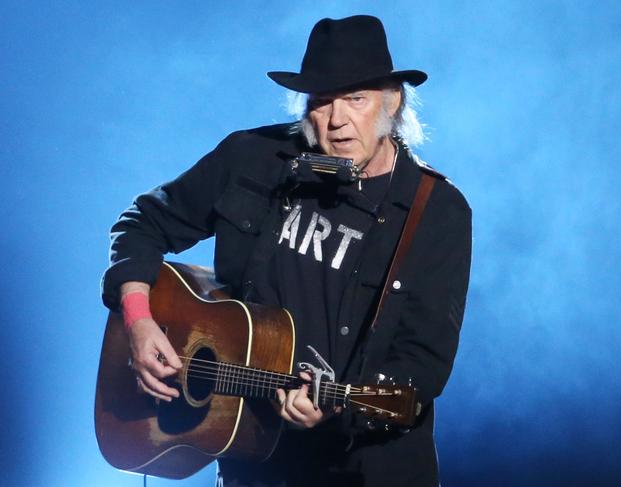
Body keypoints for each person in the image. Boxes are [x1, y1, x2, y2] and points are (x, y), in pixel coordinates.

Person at [102, 15, 471, 487]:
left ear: (392, 101)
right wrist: (139, 321)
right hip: (253, 462)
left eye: (355, 99)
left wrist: (338, 410)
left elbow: (423, 362)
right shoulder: (253, 157)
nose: (336, 121)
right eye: (321, 101)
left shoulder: (437, 211)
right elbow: (143, 223)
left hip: (367, 471)